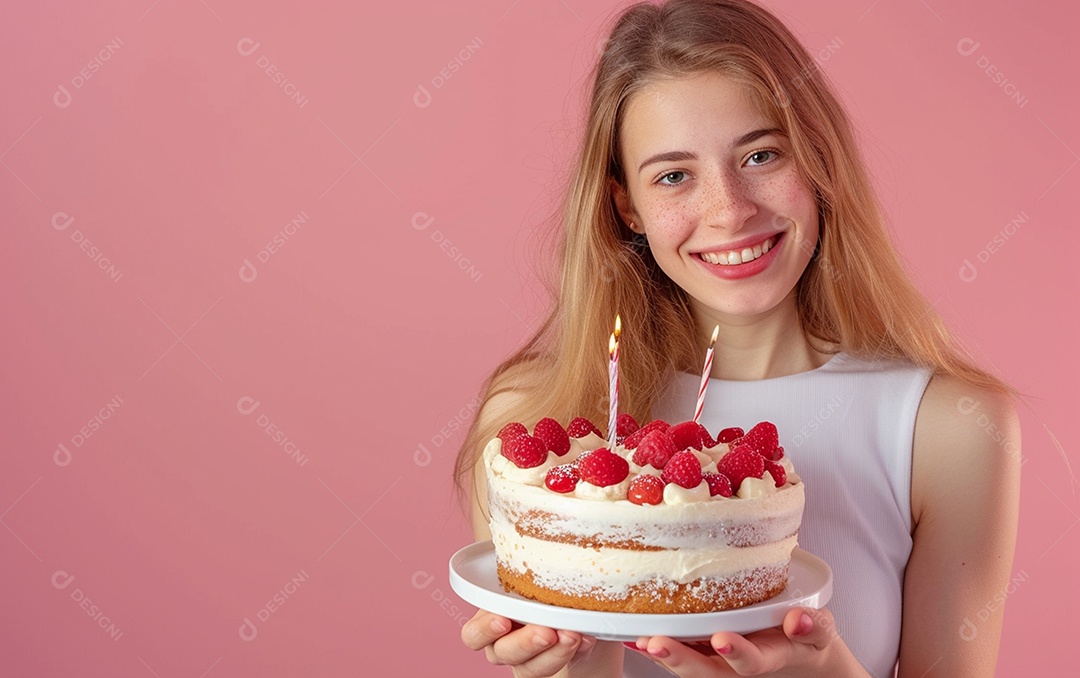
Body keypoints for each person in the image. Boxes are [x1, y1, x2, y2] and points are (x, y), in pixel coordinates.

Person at [454, 0, 1021, 675]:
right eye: (674, 175)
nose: (729, 211)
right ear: (626, 205)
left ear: (818, 161)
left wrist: (823, 672)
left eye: (760, 155)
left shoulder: (949, 426)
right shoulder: (528, 418)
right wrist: (575, 664)